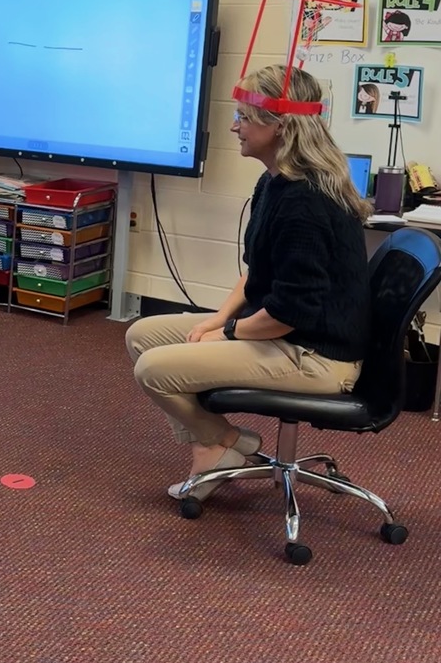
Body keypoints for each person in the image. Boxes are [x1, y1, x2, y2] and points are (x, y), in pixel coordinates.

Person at [125, 65, 372, 501]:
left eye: (245, 116)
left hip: (315, 355)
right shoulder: (273, 182)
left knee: (154, 370)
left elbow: (288, 314)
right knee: (142, 335)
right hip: (282, 331)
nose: (234, 125)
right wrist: (215, 321)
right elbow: (256, 274)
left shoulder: (306, 203)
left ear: (281, 126)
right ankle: (219, 444)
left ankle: (220, 446)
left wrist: (223, 333)